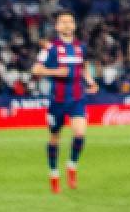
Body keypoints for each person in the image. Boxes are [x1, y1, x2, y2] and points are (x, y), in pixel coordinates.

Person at [32, 11, 98, 193]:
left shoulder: (80, 47)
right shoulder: (50, 48)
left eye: (70, 21)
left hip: (77, 98)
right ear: (57, 26)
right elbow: (36, 69)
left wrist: (91, 82)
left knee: (80, 133)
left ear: (74, 25)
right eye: (63, 22)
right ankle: (54, 174)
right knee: (55, 138)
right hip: (58, 101)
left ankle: (72, 166)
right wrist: (56, 72)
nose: (67, 24)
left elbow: (83, 67)